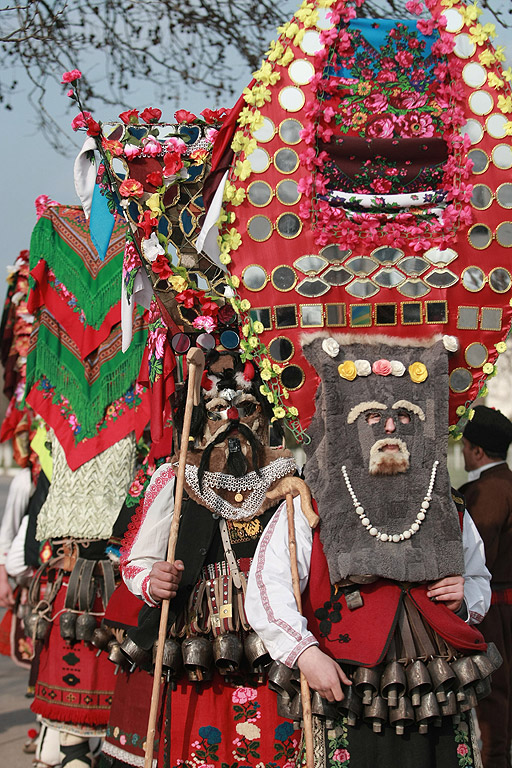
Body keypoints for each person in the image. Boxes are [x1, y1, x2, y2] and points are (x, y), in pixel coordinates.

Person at [245, 334, 496, 768]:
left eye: (403, 416)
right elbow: (267, 590)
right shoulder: (310, 505)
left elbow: (478, 580)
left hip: (438, 669)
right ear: (349, 430)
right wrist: (305, 654)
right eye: (372, 417)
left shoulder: (446, 506)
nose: (391, 427)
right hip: (342, 670)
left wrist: (466, 595)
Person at [121, 352, 311, 768]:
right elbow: (136, 560)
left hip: (276, 637)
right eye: (217, 412)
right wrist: (154, 580)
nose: (232, 419)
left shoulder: (288, 477)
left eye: (245, 409)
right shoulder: (176, 477)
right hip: (199, 636)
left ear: (262, 418)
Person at [460, 405, 512, 768]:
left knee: (494, 692)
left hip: (494, 608)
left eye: (464, 445)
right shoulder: (506, 483)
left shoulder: (485, 493)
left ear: (478, 451)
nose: (461, 452)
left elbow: (478, 559)